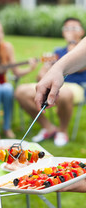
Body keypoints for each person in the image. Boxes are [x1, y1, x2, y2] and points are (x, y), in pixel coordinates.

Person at [15, 17, 86, 146]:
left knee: (64, 93)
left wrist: (72, 41)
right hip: (55, 86)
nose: (70, 31)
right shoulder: (57, 52)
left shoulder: (81, 51)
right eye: (67, 28)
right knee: (21, 91)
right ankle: (48, 127)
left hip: (77, 86)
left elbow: (81, 65)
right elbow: (41, 77)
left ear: (82, 32)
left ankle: (62, 131)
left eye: (74, 28)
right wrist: (46, 68)